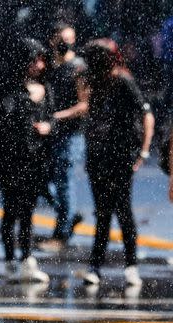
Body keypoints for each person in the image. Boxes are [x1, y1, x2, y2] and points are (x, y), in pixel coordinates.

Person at [82, 39, 154, 287]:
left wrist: (143, 152)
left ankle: (131, 265)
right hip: (97, 156)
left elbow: (147, 114)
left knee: (123, 211)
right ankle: (95, 266)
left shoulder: (122, 81)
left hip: (121, 155)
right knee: (102, 213)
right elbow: (89, 115)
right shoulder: (93, 81)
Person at [0, 39, 53, 283]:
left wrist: (48, 127)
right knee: (11, 210)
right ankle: (10, 259)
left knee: (29, 210)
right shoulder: (8, 89)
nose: (39, 65)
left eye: (41, 59)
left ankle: (27, 258)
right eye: (34, 59)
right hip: (12, 160)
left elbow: (53, 118)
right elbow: (0, 123)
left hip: (37, 160)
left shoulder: (46, 88)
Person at [40, 23, 88, 251]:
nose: (66, 44)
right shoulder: (50, 66)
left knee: (64, 182)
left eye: (70, 39)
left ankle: (62, 234)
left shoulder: (78, 67)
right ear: (52, 41)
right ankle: (69, 214)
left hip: (71, 134)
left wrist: (56, 116)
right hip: (52, 134)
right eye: (62, 39)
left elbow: (84, 104)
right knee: (43, 181)